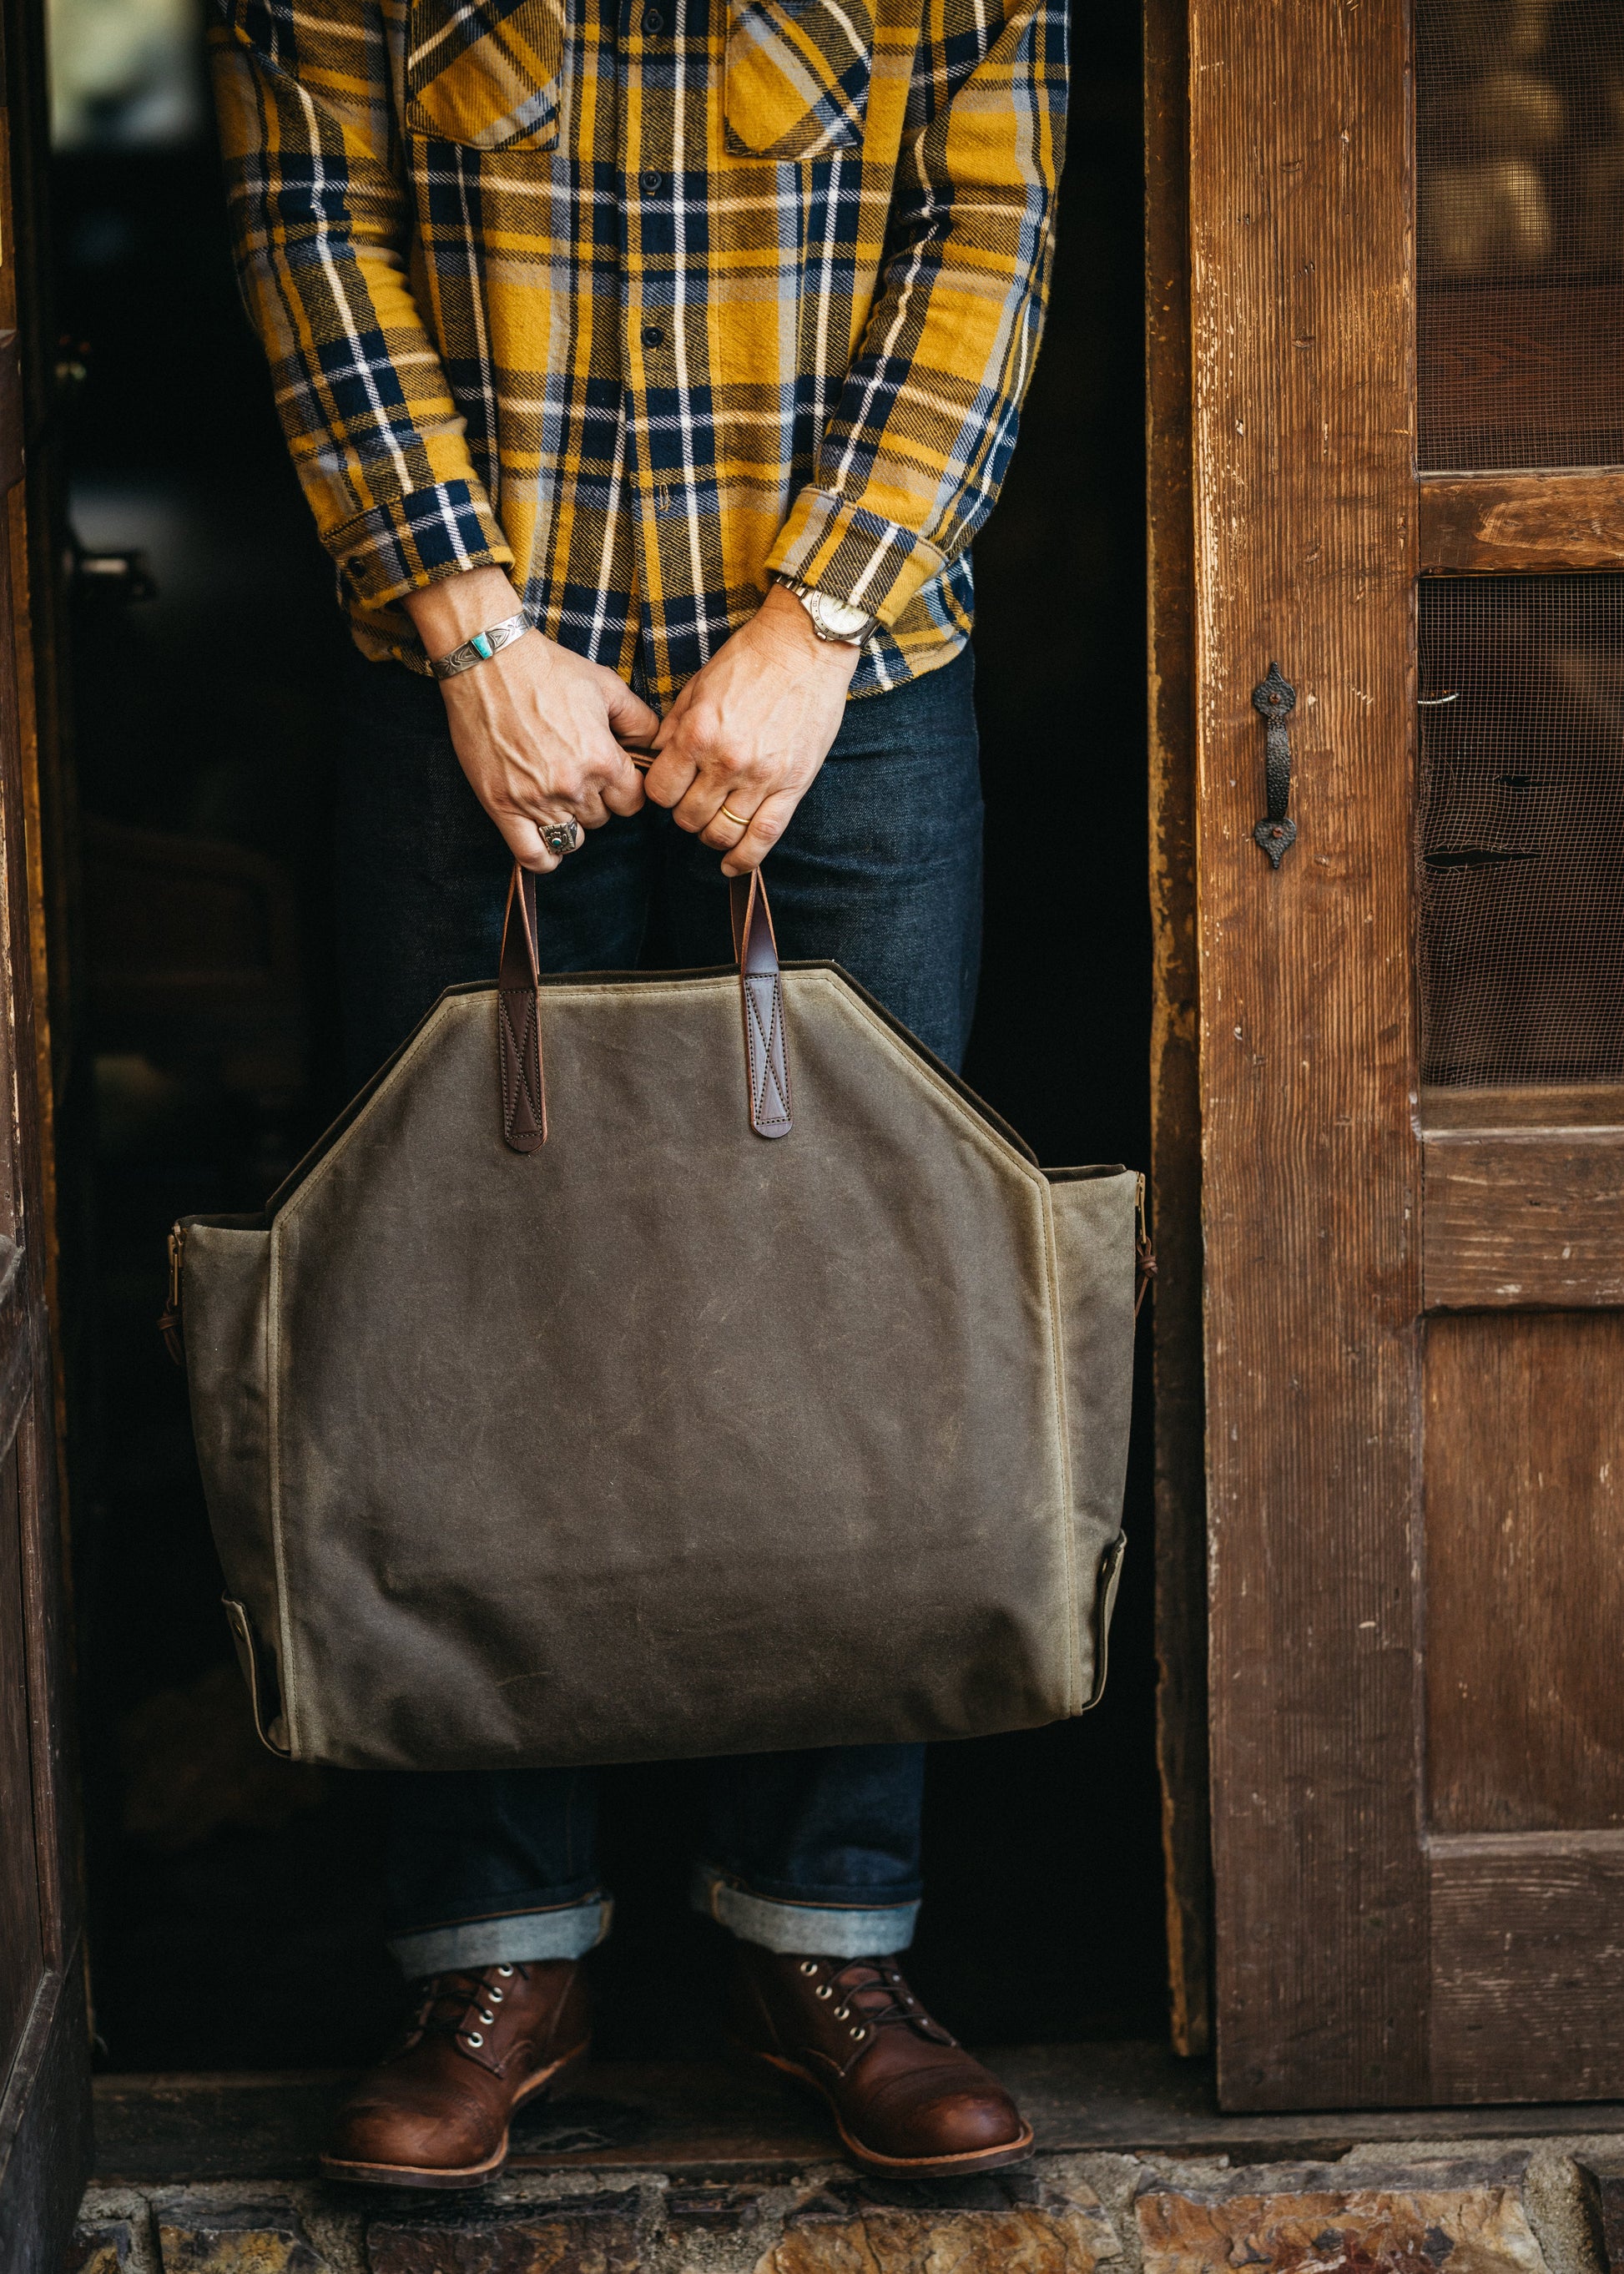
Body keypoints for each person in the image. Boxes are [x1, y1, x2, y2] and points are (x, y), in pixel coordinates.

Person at [210, 0, 1067, 2189]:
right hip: (478, 685)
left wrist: (822, 611)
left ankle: (827, 1937)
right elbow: (313, 214)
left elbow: (987, 225)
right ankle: (495, 1958)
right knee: (466, 1311)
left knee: (858, 1308)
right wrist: (466, 624)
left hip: (855, 681)